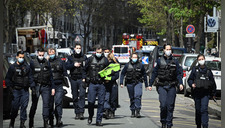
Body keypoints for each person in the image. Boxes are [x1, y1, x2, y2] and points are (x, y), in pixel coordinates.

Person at [148, 43, 183, 128]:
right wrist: (150, 84)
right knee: (163, 105)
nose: (168, 51)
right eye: (166, 49)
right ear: (163, 50)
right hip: (162, 85)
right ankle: (163, 121)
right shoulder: (159, 61)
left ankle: (169, 123)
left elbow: (179, 73)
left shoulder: (175, 61)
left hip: (172, 86)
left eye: (169, 49)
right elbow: (154, 73)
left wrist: (181, 83)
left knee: (170, 106)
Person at [6, 51, 35, 128]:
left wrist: (32, 86)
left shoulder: (27, 67)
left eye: (23, 57)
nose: (21, 59)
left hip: (24, 90)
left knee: (24, 106)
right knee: (15, 107)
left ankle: (22, 123)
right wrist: (10, 88)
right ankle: (12, 122)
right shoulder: (12, 67)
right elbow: (8, 79)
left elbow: (30, 78)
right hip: (16, 90)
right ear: (17, 57)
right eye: (20, 57)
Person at [187, 54, 216, 128]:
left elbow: (212, 82)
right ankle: (198, 125)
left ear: (205, 59)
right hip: (197, 93)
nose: (201, 61)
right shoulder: (195, 70)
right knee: (198, 110)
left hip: (205, 93)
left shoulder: (208, 71)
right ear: (197, 61)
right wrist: (192, 84)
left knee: (204, 109)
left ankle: (205, 125)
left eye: (202, 59)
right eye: (199, 59)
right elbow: (190, 79)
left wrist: (213, 93)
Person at [28, 48, 55, 128]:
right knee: (34, 104)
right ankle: (31, 121)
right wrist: (32, 86)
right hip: (36, 86)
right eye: (40, 55)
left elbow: (51, 77)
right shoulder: (33, 63)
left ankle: (46, 122)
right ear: (37, 54)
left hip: (45, 86)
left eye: (42, 55)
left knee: (46, 104)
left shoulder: (47, 63)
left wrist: (53, 87)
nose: (41, 56)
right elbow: (30, 76)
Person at [120, 53, 150, 118]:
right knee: (132, 97)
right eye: (133, 57)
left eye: (136, 57)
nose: (134, 59)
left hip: (138, 82)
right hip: (129, 83)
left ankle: (138, 110)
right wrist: (121, 82)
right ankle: (133, 111)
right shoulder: (127, 65)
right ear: (131, 58)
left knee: (138, 96)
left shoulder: (141, 65)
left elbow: (144, 75)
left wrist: (146, 85)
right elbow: (122, 74)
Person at [86, 44, 109, 126]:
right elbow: (85, 70)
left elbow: (108, 71)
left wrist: (107, 78)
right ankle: (90, 116)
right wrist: (85, 79)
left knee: (101, 103)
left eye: (100, 52)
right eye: (97, 52)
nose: (99, 53)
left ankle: (98, 120)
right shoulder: (90, 59)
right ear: (95, 51)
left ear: (102, 52)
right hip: (92, 83)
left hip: (101, 84)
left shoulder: (105, 60)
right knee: (91, 102)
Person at [65, 43, 87, 120]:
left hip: (81, 79)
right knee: (74, 96)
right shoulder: (70, 58)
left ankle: (81, 112)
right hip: (73, 79)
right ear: (74, 48)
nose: (78, 49)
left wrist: (84, 78)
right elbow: (66, 66)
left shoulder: (84, 57)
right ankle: (77, 112)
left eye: (79, 48)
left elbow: (86, 68)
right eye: (77, 48)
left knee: (82, 95)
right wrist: (73, 65)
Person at [48, 48, 68, 127]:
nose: (51, 54)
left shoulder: (60, 61)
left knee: (58, 103)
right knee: (49, 104)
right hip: (49, 85)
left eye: (52, 53)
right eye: (50, 53)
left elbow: (65, 72)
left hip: (59, 84)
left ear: (55, 53)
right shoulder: (46, 62)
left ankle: (58, 119)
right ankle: (51, 120)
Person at [103, 52, 120, 119]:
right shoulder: (104, 64)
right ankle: (106, 110)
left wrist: (109, 79)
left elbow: (116, 75)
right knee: (106, 98)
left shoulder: (115, 65)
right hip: (105, 84)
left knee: (113, 99)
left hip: (113, 83)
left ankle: (112, 111)